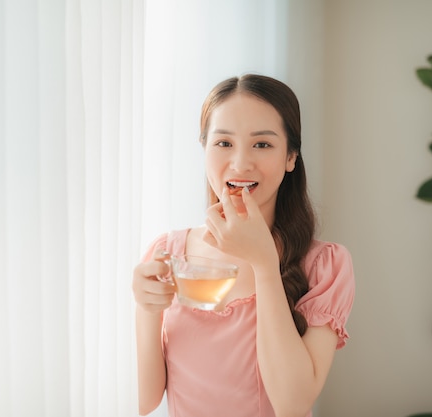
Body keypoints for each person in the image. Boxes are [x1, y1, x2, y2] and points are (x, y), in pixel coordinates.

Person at [132, 74, 355, 417]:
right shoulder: (169, 253)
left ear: (291, 157)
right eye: (223, 143)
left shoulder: (324, 265)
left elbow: (293, 404)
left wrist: (264, 262)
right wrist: (147, 310)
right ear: (204, 149)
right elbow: (146, 400)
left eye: (262, 144)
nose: (240, 163)